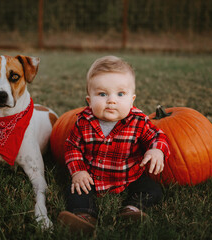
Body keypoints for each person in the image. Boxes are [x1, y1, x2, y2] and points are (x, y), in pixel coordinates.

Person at [57, 56, 170, 233]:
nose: (111, 100)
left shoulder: (138, 121)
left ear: (132, 100)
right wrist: (78, 171)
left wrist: (157, 150)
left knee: (152, 189)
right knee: (75, 189)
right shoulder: (83, 121)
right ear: (89, 100)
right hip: (92, 177)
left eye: (120, 94)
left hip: (130, 176)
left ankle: (132, 210)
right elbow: (72, 146)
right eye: (102, 94)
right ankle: (84, 216)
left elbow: (157, 136)